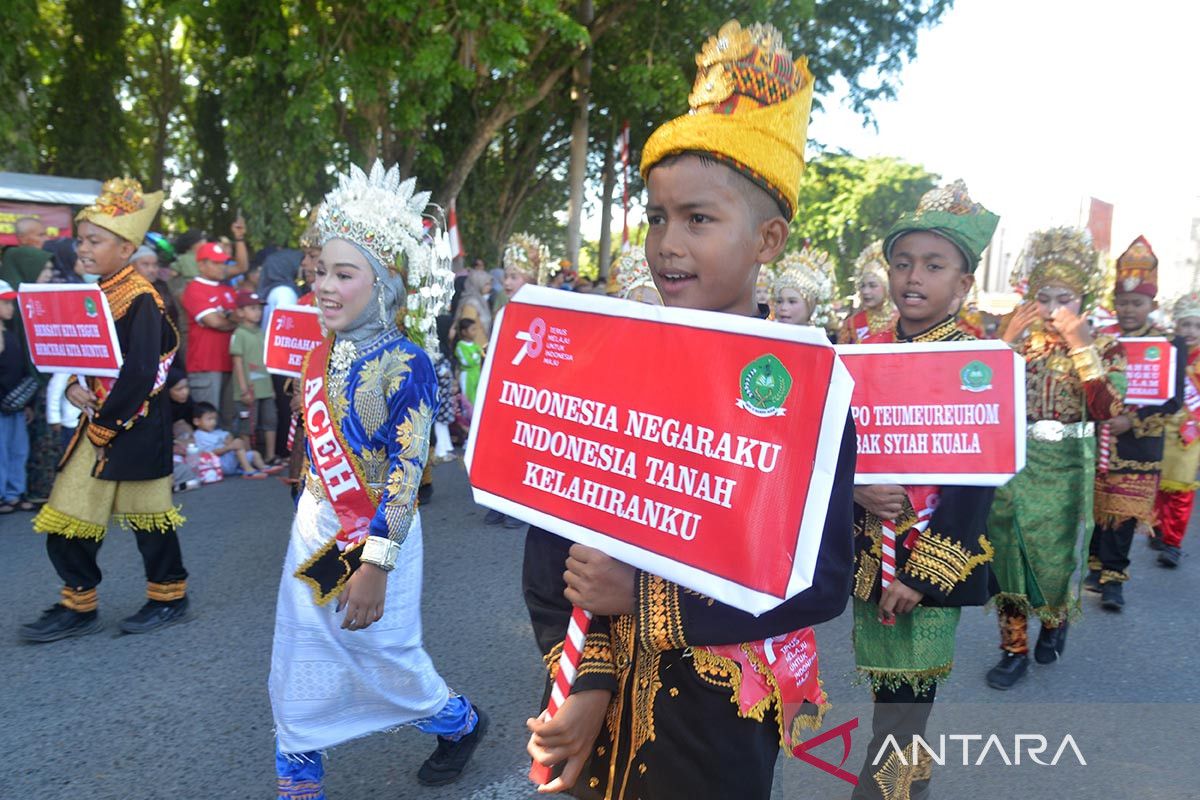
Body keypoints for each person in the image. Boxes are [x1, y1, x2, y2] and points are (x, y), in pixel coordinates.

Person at [523, 21, 855, 799]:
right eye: (658, 216)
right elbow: (551, 552)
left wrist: (645, 600)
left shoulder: (809, 392)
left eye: (699, 219)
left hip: (717, 720)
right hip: (591, 698)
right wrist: (590, 680)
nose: (666, 242)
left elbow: (822, 582)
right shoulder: (605, 369)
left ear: (767, 238)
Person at [270, 161, 486, 797]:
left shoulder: (408, 364)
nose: (325, 288)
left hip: (379, 537)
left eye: (345, 274)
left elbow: (405, 472)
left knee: (383, 653)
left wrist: (373, 567)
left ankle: (460, 721)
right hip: (317, 522)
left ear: (388, 286)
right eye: (319, 273)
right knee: (301, 645)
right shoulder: (317, 353)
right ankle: (299, 770)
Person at [848, 181, 999, 800]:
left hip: (928, 561)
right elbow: (837, 448)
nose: (914, 277)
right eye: (903, 263)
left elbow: (975, 486)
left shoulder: (981, 362)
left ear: (962, 285)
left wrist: (924, 575)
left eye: (934, 266)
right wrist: (856, 490)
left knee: (909, 700)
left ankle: (889, 794)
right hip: (868, 553)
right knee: (891, 693)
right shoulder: (865, 351)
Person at [20, 178, 189, 641]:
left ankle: (169, 596)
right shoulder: (97, 289)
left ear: (127, 247)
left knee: (149, 520)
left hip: (134, 424)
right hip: (98, 419)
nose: (84, 248)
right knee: (69, 513)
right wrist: (75, 384)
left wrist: (106, 425)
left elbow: (139, 373)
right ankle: (78, 603)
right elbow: (82, 353)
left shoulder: (142, 299)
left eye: (95, 240)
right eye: (82, 239)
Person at [985, 227, 1126, 689]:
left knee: (1051, 562)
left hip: (1064, 466)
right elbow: (976, 391)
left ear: (1083, 298)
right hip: (1013, 460)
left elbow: (1108, 410)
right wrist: (1005, 341)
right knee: (1007, 556)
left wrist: (1082, 346)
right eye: (1042, 298)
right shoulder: (1018, 340)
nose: (1051, 310)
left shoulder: (1105, 346)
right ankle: (1013, 649)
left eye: (1063, 298)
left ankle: (1053, 618)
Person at [1087, 236, 1185, 610]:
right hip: (1101, 439)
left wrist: (1134, 420)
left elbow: (1173, 400)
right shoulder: (1101, 343)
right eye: (1123, 303)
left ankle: (1114, 579)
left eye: (1137, 303)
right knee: (1099, 508)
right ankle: (1095, 565)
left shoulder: (1168, 345)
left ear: (1152, 305)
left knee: (1124, 512)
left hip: (1140, 444)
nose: (1129, 310)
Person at [1152, 291, 1200, 568]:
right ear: (1176, 326)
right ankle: (1158, 527)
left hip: (1189, 432)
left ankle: (1173, 542)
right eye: (1186, 325)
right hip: (1161, 425)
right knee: (1158, 484)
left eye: (1196, 325)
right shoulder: (1166, 352)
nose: (1190, 331)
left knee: (1180, 489)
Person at [181, 241, 237, 422]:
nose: (222, 267)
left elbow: (238, 319)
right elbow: (214, 322)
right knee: (207, 423)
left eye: (223, 263)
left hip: (232, 363)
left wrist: (227, 320)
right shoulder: (194, 288)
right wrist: (233, 321)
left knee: (228, 423)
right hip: (205, 365)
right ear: (201, 265)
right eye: (216, 263)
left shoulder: (228, 289)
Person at [229, 290, 277, 460]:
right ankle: (250, 458)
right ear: (240, 312)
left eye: (259, 308)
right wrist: (243, 390)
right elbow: (237, 363)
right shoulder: (239, 334)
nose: (257, 312)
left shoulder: (262, 332)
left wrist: (271, 387)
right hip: (248, 389)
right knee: (247, 425)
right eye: (252, 308)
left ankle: (270, 456)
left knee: (270, 421)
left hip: (265, 387)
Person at [0, 279, 33, 514]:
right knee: (2, 451)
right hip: (3, 405)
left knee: (18, 449)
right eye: (5, 303)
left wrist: (26, 402)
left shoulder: (10, 332)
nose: (10, 307)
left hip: (16, 404)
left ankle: (14, 492)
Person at [191, 401, 273, 478]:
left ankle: (263, 467)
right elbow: (210, 453)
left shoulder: (215, 432)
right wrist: (229, 447)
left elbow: (228, 435)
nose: (213, 422)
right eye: (209, 419)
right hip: (218, 464)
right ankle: (249, 471)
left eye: (214, 419)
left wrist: (230, 441)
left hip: (229, 459)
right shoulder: (199, 436)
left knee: (254, 453)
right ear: (197, 421)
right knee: (237, 447)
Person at [838, 240, 896, 344]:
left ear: (887, 287)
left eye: (872, 285)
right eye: (862, 286)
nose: (865, 291)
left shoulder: (902, 322)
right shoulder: (851, 324)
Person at [772, 244, 835, 328]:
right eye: (779, 301)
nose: (783, 307)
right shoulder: (764, 336)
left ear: (810, 305)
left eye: (792, 301)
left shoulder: (818, 340)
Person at [454, 317, 484, 408]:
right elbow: (467, 362)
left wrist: (476, 357)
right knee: (467, 399)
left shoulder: (475, 345)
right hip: (467, 376)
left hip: (477, 374)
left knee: (477, 397)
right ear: (464, 332)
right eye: (472, 329)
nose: (475, 332)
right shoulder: (460, 346)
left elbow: (481, 355)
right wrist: (476, 357)